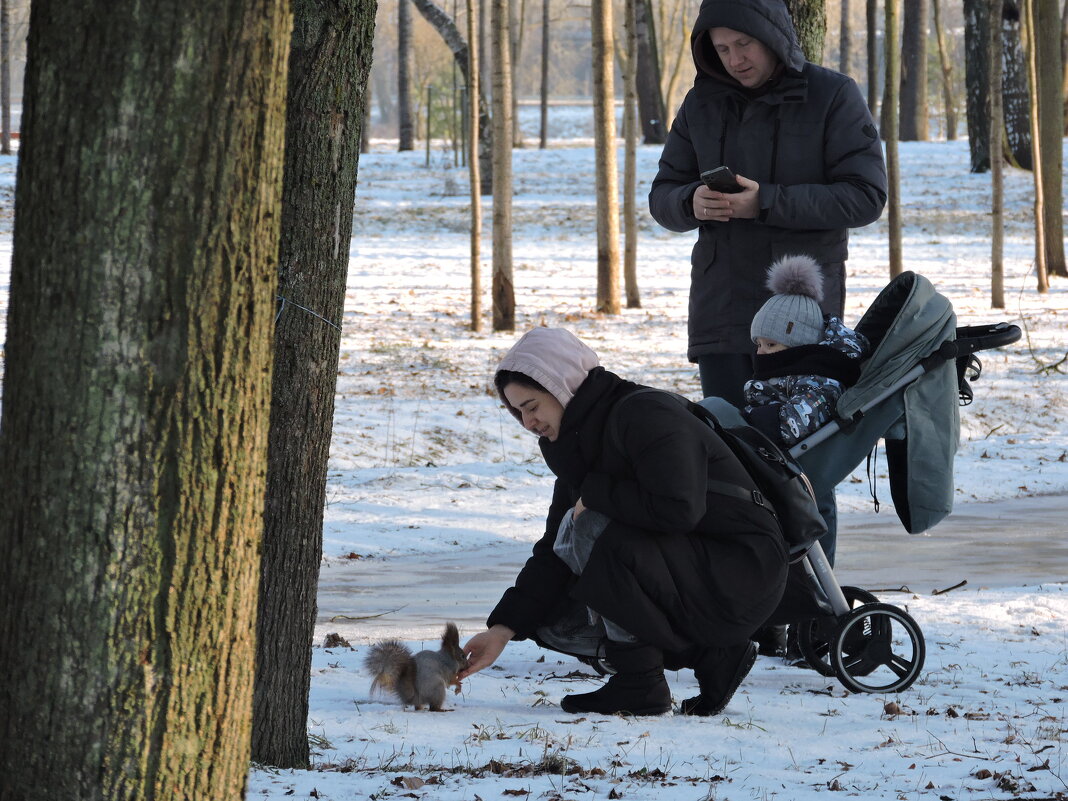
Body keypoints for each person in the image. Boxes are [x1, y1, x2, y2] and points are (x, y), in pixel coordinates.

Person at [459, 327, 789, 716]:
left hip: (743, 568)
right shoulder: (577, 445)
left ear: (562, 385)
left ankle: (640, 682)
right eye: (518, 413)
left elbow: (679, 509)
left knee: (590, 526)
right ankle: (712, 656)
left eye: (532, 406)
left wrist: (598, 493)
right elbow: (553, 549)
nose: (528, 422)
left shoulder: (645, 414)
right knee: (552, 621)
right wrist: (501, 630)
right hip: (691, 569)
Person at [648, 0, 887, 408]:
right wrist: (691, 202)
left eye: (744, 44)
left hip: (801, 313)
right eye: (722, 49)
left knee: (799, 454)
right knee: (729, 447)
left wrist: (766, 201)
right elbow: (662, 194)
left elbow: (866, 197)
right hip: (720, 307)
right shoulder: (699, 104)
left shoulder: (832, 95)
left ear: (771, 35)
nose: (735, 59)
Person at [743, 254, 868, 447]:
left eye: (770, 345)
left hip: (774, 457)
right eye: (759, 344)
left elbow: (791, 425)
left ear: (799, 346)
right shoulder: (789, 375)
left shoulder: (820, 382)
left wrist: (747, 418)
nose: (760, 353)